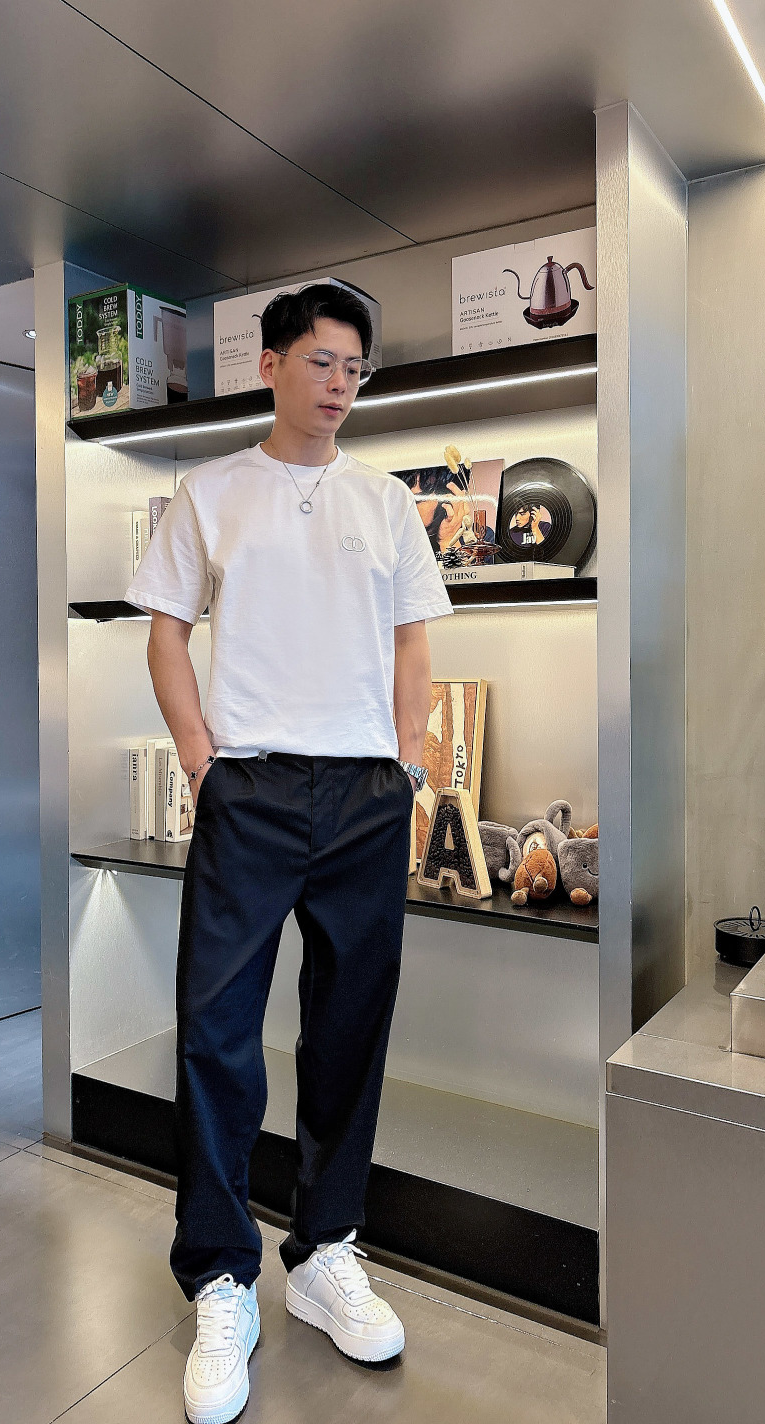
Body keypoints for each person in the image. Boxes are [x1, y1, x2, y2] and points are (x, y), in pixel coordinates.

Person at [125, 283, 452, 1424]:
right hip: (251, 788)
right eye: (321, 361)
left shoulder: (387, 501)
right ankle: (222, 1274)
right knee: (217, 1030)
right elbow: (167, 634)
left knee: (350, 1026)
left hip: (365, 794)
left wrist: (404, 763)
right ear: (269, 365)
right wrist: (200, 756)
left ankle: (324, 1252)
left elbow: (413, 643)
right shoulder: (210, 492)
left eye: (355, 367)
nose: (340, 384)